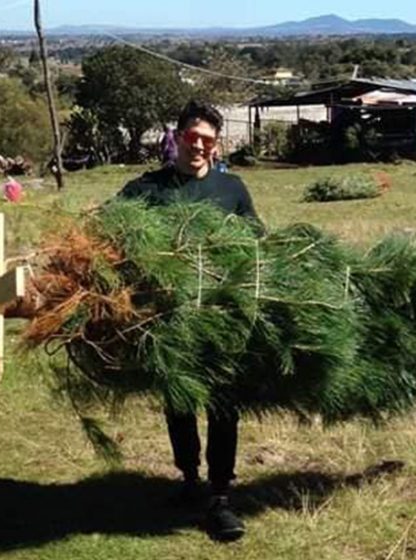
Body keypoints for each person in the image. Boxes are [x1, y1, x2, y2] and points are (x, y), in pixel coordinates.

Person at [118, 101, 261, 543]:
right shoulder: (147, 189)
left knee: (222, 406)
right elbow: (109, 227)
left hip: (220, 316)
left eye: (207, 140)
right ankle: (188, 479)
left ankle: (220, 497)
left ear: (216, 145)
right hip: (169, 317)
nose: (198, 146)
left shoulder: (232, 189)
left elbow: (257, 239)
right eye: (191, 137)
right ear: (176, 137)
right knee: (178, 402)